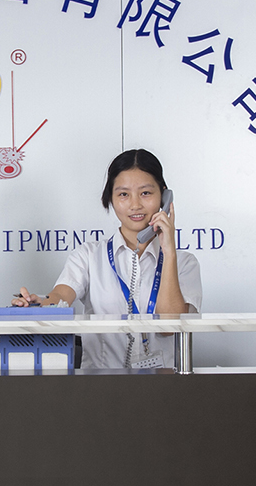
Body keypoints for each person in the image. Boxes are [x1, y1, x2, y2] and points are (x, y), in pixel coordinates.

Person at [13, 148, 201, 370]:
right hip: (100, 384)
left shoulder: (184, 263)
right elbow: (61, 295)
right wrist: (41, 305)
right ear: (110, 198)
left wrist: (169, 252)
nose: (135, 205)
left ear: (164, 197)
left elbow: (169, 326)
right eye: (123, 194)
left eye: (145, 193)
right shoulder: (88, 256)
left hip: (162, 384)